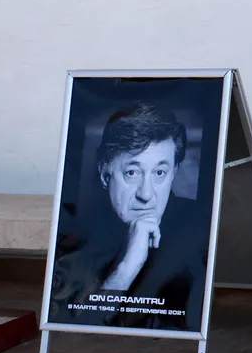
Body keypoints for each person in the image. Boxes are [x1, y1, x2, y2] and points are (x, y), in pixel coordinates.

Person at [48, 103, 208, 330]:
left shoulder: (200, 231)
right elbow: (75, 328)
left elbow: (187, 328)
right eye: (132, 173)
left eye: (159, 173)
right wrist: (126, 268)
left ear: (173, 173)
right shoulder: (77, 235)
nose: (146, 194)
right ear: (105, 174)